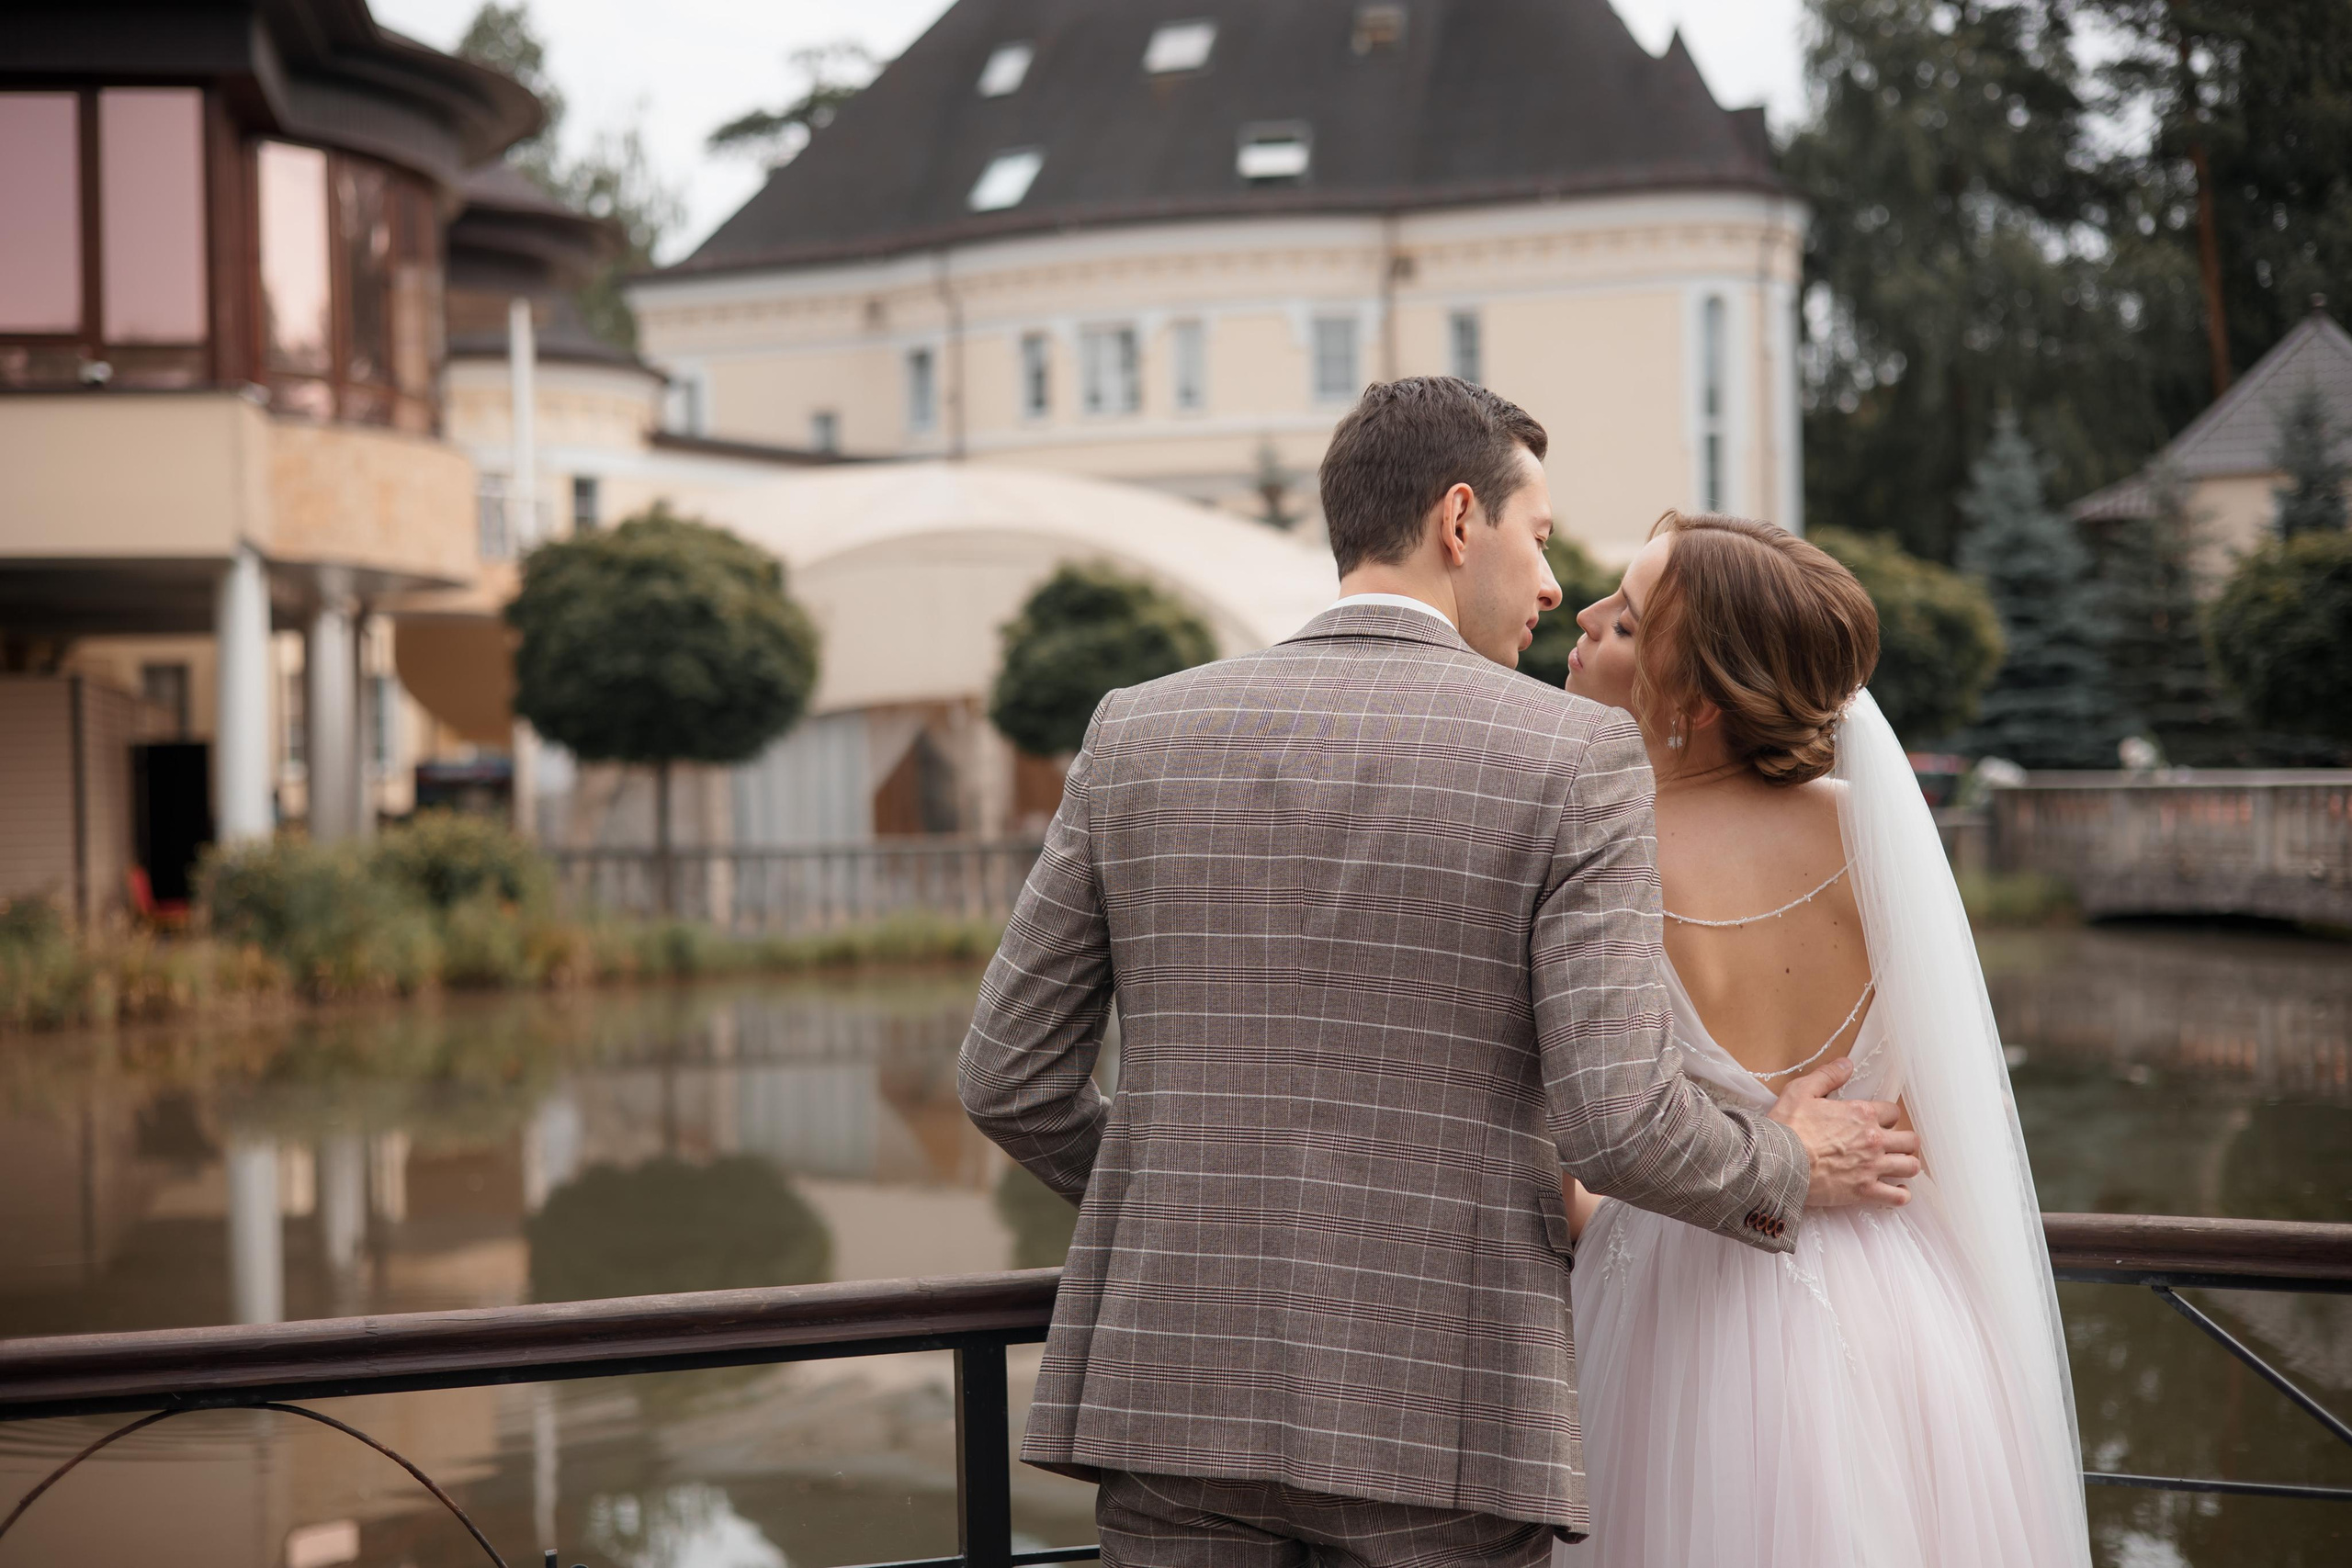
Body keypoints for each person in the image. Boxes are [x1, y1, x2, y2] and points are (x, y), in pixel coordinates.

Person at [958, 378, 1918, 1567]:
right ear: (1461, 521)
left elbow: (1007, 1075)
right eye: (1542, 535)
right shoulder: (1572, 756)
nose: (1557, 584)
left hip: (1177, 1395)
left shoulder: (1135, 730)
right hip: (1446, 1410)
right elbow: (1616, 1120)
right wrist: (1791, 1163)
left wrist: (1196, 1214)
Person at [1555, 511, 2091, 1568]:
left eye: (1624, 620)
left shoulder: (1597, 844)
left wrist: (1598, 1213)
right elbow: (1962, 1114)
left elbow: (1573, 1128)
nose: (1585, 616)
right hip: (1900, 1302)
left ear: (1697, 698)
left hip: (1677, 1300)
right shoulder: (1871, 827)